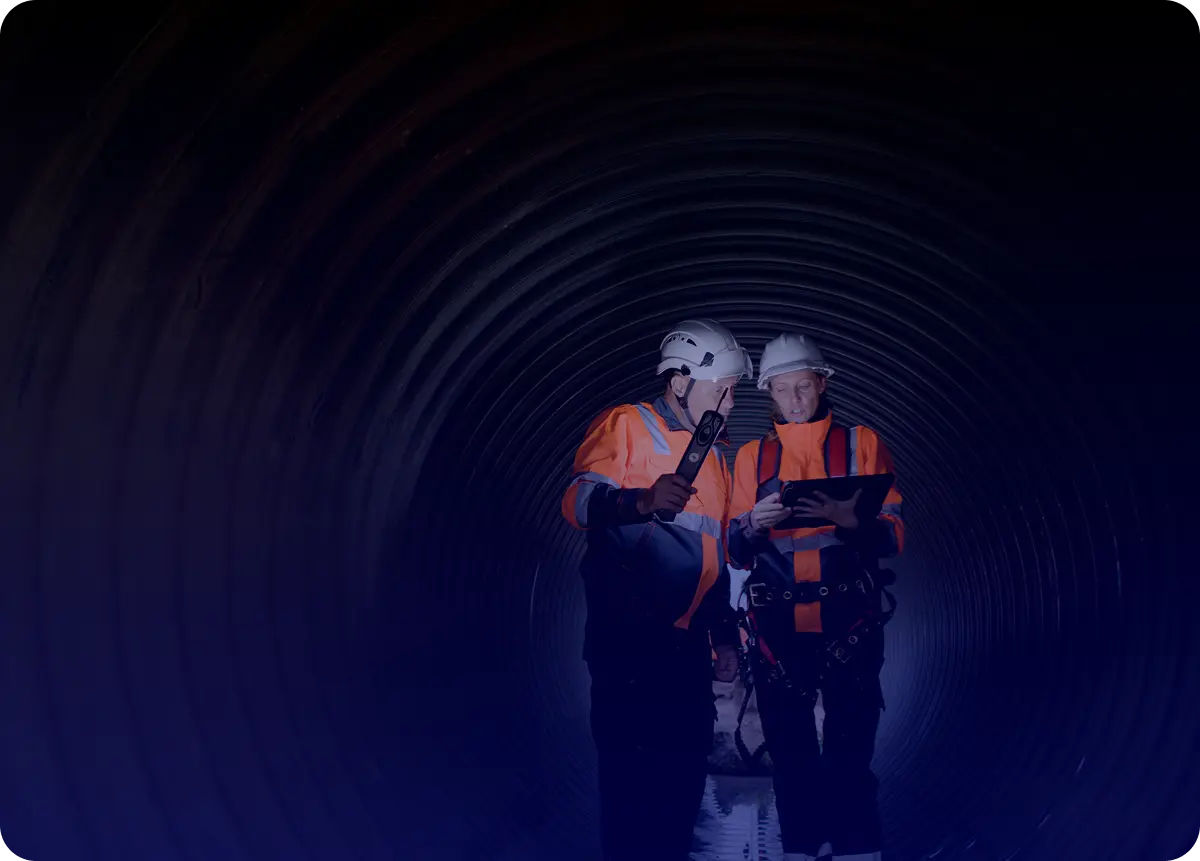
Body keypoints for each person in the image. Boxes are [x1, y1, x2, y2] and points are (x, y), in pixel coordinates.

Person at [561, 318, 751, 861]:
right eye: (722, 389)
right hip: (629, 645)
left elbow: (712, 557)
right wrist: (640, 501)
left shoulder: (713, 456)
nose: (731, 403)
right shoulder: (627, 425)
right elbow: (576, 503)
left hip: (684, 650)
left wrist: (726, 640)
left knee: (682, 784)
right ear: (680, 382)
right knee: (633, 792)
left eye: (735, 391)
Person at [728, 333, 905, 861]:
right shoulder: (751, 458)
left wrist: (856, 523)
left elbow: (894, 535)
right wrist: (752, 527)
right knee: (793, 758)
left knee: (851, 756)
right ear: (770, 395)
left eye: (804, 386)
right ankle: (802, 849)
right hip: (779, 632)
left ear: (822, 383)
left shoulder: (862, 444)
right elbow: (734, 552)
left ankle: (856, 851)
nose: (796, 400)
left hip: (849, 620)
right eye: (783, 390)